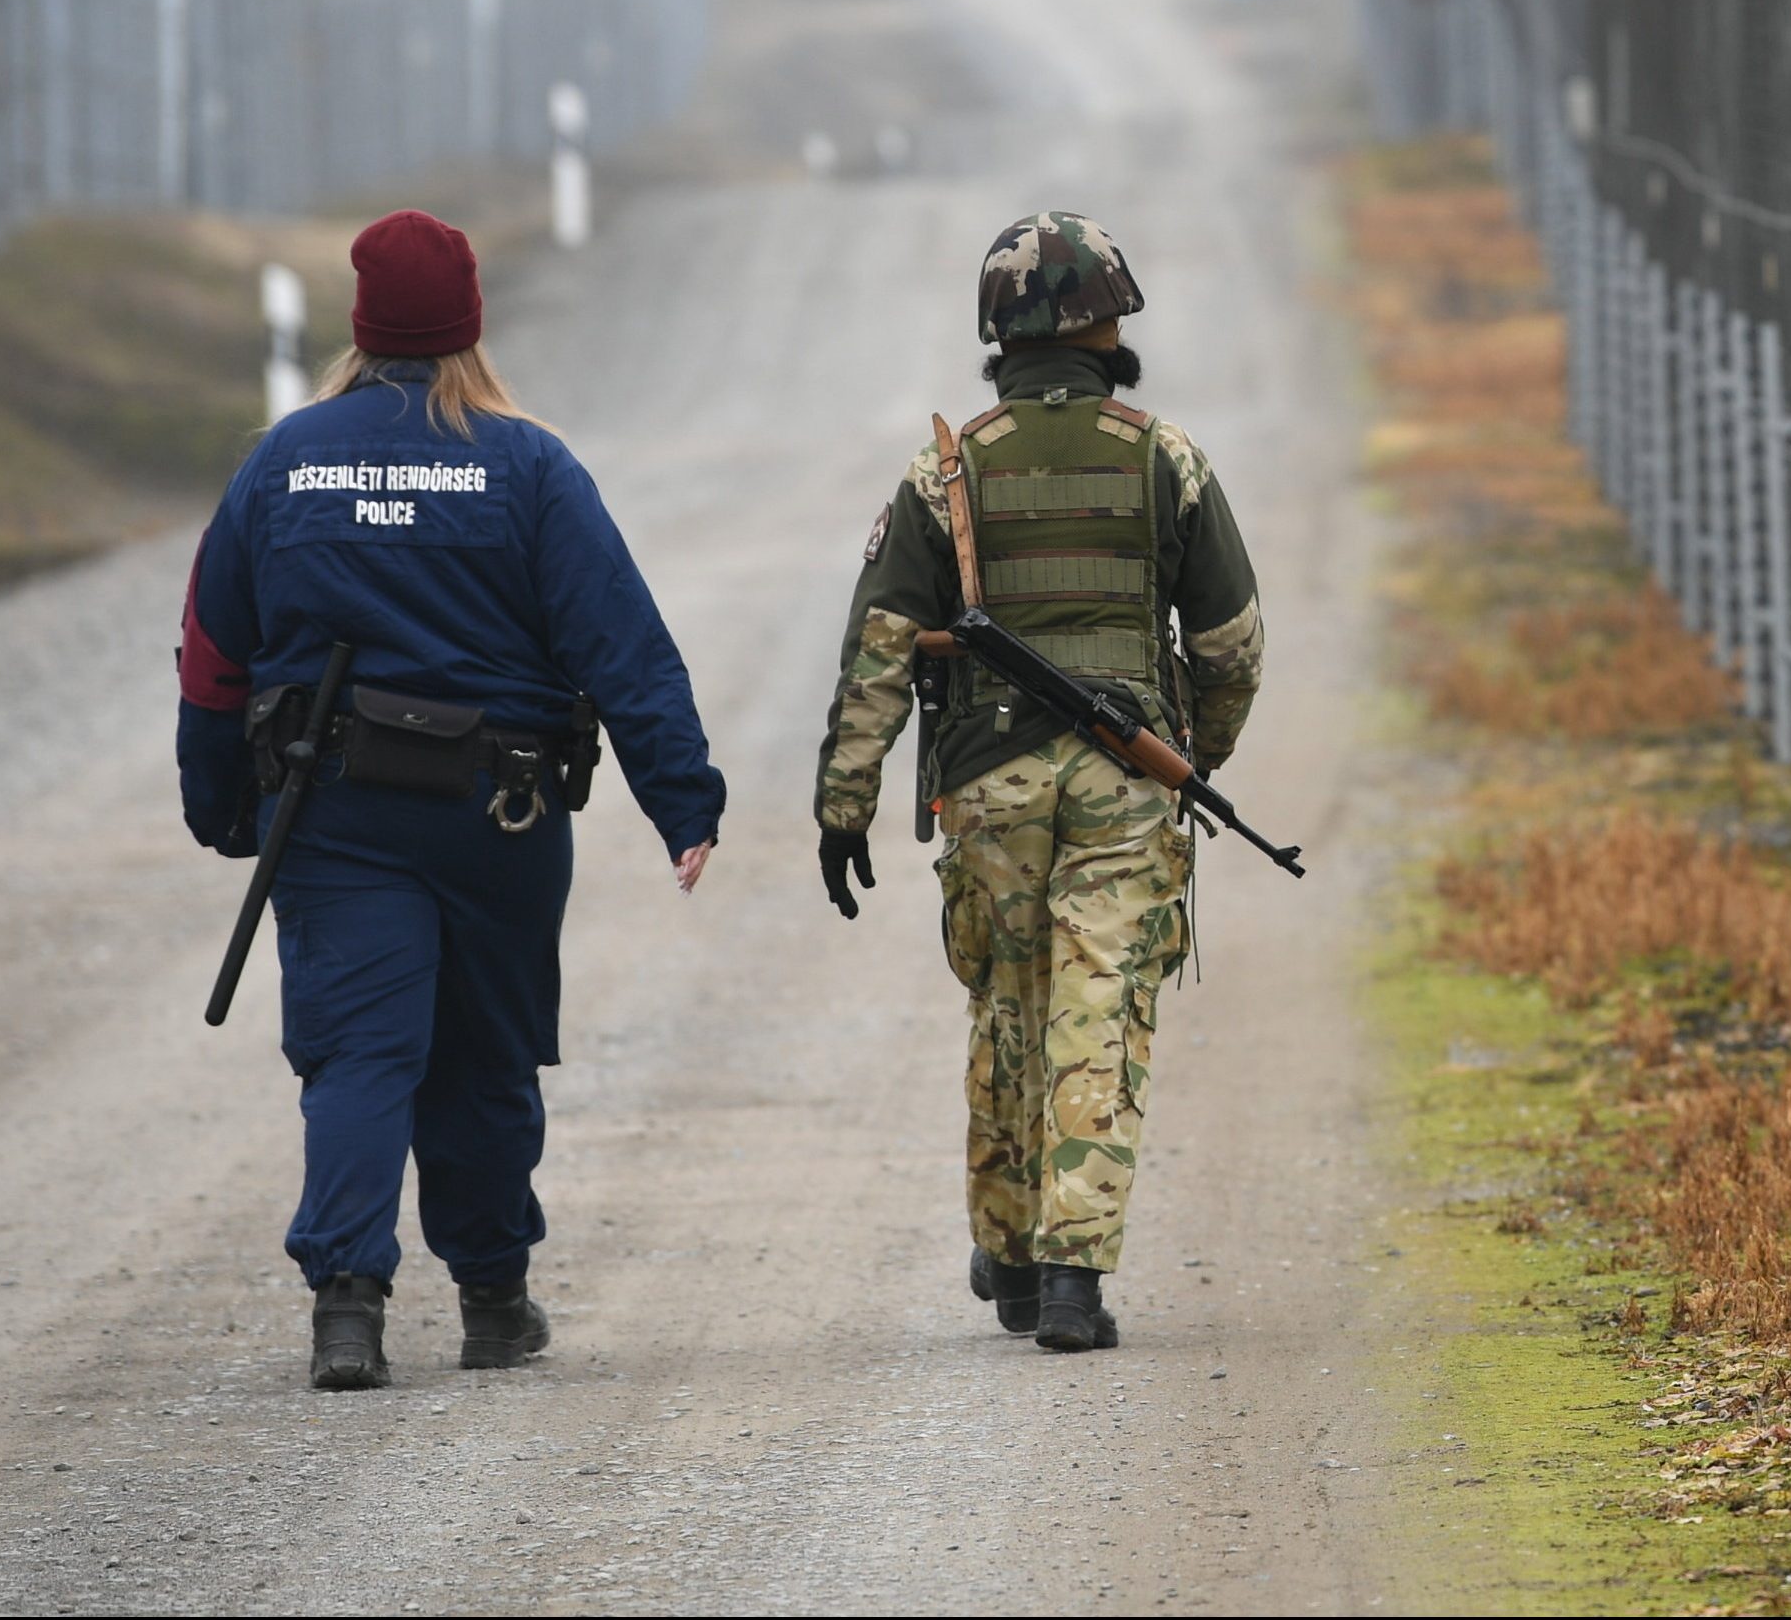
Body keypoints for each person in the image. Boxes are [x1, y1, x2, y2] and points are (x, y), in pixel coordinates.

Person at [175, 209, 726, 1391]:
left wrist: (218, 799)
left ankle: (348, 1310)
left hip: (329, 812)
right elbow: (621, 643)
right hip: (499, 817)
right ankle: (491, 1301)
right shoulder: (529, 464)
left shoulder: (283, 462)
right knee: (482, 1056)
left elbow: (213, 652)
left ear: (363, 325)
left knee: (359, 1052)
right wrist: (683, 799)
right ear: (470, 321)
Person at [811, 211, 1266, 1354]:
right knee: (1098, 1009)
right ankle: (1072, 1279)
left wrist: (844, 806)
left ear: (998, 333)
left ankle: (1011, 1253)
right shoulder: (1168, 460)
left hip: (988, 783)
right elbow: (1232, 646)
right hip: (1126, 783)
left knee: (1009, 1009)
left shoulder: (945, 470)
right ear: (1107, 323)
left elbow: (878, 645)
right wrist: (1192, 754)